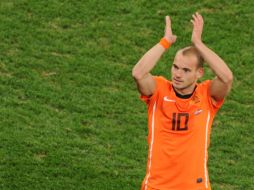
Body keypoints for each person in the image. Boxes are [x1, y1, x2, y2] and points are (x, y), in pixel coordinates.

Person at [132, 12, 233, 190]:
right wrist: (165, 42)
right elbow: (138, 73)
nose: (178, 74)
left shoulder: (207, 96)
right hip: (157, 186)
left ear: (199, 73)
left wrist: (199, 44)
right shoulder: (158, 91)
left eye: (186, 70)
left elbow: (226, 78)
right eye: (175, 67)